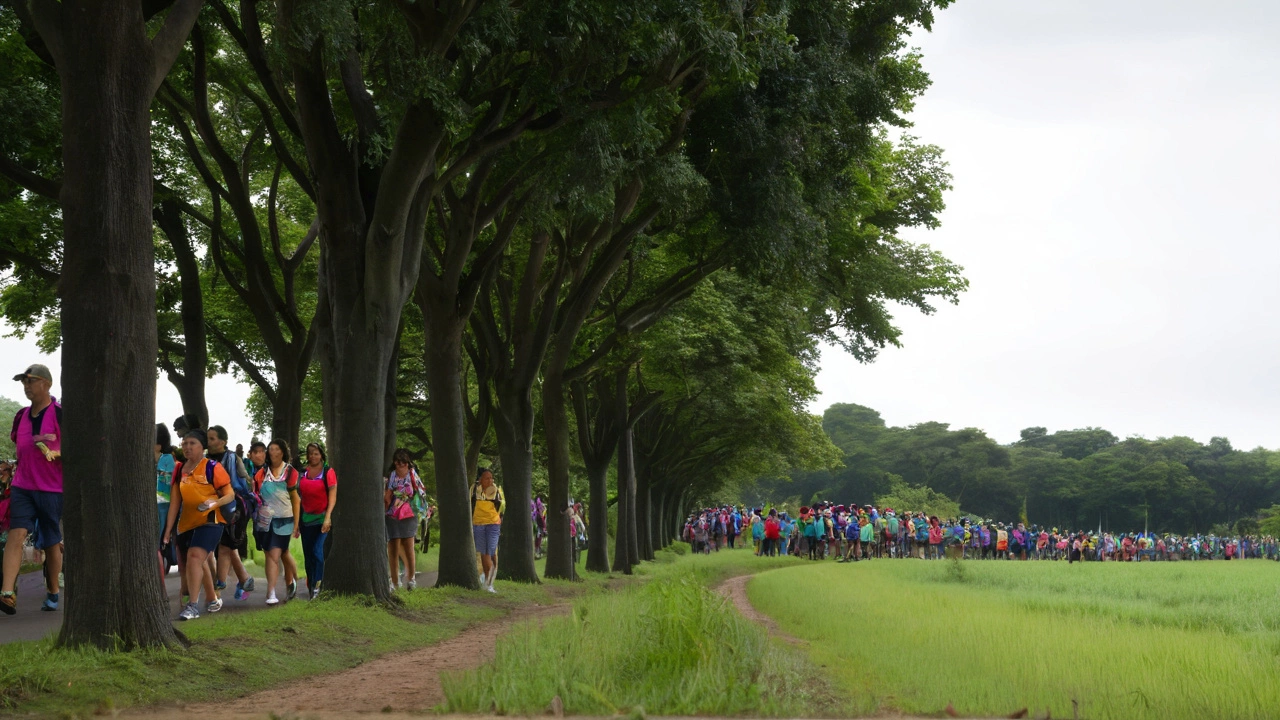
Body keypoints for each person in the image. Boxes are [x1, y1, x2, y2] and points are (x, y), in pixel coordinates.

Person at [1, 364, 64, 615]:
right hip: (22, 486)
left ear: (46, 384)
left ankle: (53, 591)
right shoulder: (21, 415)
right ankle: (7, 593)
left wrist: (54, 452)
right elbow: (20, 443)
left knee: (51, 542)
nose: (26, 386)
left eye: (31, 381)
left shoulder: (60, 414)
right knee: (16, 534)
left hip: (51, 489)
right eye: (23, 382)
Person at [163, 428, 235, 621]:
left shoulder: (212, 467)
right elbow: (175, 502)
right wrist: (168, 530)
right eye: (184, 443)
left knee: (196, 556)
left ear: (202, 446)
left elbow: (230, 494)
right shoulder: (179, 469)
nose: (187, 447)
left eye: (192, 443)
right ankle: (212, 599)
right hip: (186, 524)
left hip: (211, 521)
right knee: (194, 563)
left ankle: (193, 606)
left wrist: (215, 503)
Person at [207, 426, 253, 599]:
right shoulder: (204, 460)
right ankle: (244, 579)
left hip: (235, 507)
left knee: (225, 545)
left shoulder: (233, 459)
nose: (209, 442)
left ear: (223, 441)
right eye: (208, 438)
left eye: (212, 439)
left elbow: (245, 483)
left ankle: (219, 584)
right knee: (225, 545)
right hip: (214, 506)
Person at [253, 439, 301, 605]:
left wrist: (296, 523)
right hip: (264, 520)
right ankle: (292, 582)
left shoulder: (290, 472)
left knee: (274, 554)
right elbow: (256, 492)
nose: (272, 452)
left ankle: (271, 592)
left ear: (282, 452)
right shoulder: (262, 472)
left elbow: (295, 499)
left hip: (284, 519)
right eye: (270, 449)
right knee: (281, 552)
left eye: (276, 449)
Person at [298, 442, 337, 599]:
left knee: (317, 551)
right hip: (306, 519)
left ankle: (319, 585)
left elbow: (333, 496)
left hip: (322, 520)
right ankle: (311, 586)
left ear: (321, 454)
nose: (313, 456)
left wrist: (328, 517)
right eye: (310, 453)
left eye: (316, 453)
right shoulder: (303, 472)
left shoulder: (328, 471)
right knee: (308, 555)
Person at [387, 449, 426, 590]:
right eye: (398, 461)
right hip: (392, 515)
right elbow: (388, 493)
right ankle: (395, 581)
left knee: (409, 546)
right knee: (393, 547)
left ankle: (411, 579)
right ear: (394, 462)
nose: (401, 464)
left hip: (409, 514)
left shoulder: (413, 474)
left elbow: (416, 492)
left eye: (404, 461)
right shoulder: (391, 475)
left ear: (408, 462)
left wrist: (402, 498)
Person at [469, 466, 504, 592]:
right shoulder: (474, 489)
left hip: (493, 524)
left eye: (491, 478)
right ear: (480, 479)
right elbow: (470, 504)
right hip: (477, 524)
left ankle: (489, 582)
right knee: (483, 552)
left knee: (491, 552)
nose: (490, 481)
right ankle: (486, 580)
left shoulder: (495, 490)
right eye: (487, 478)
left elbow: (500, 506)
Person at [155, 423, 177, 578]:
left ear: (158, 445)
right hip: (156, 505)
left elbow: (165, 487)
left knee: (156, 543)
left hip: (163, 506)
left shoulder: (167, 459)